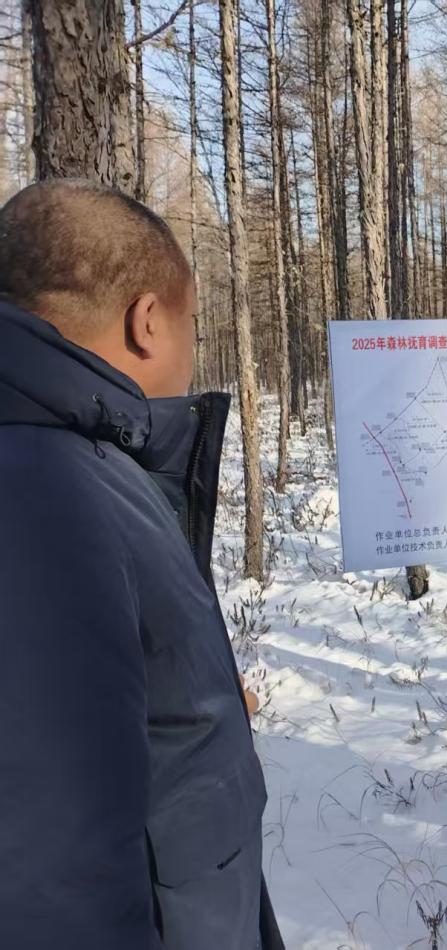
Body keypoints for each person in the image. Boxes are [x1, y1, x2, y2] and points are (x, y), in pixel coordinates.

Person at [0, 180, 283, 949]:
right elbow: (55, 876)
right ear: (148, 320)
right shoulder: (45, 492)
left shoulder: (78, 463)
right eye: (194, 324)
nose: (193, 350)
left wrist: (200, 716)